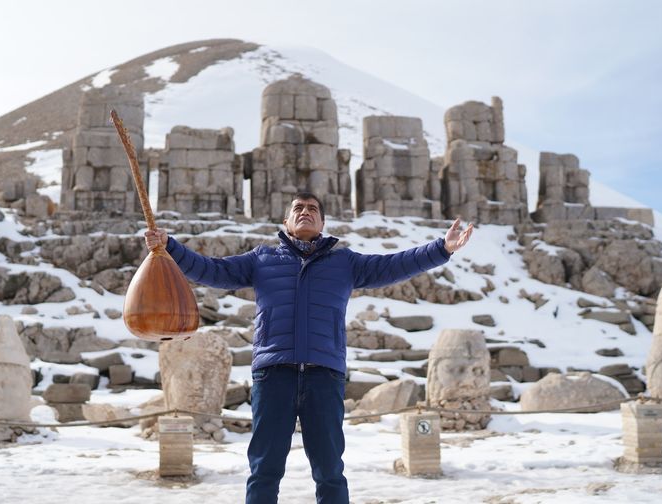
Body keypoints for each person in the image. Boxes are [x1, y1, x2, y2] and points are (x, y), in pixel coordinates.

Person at [145, 191, 473, 504]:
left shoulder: (345, 263)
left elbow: (394, 264)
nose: (305, 212)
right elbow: (211, 269)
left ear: (322, 223)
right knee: (264, 470)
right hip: (273, 376)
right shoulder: (262, 259)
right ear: (287, 221)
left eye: (312, 209)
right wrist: (170, 247)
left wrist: (441, 249)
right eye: (298, 208)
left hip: (324, 376)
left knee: (330, 471)